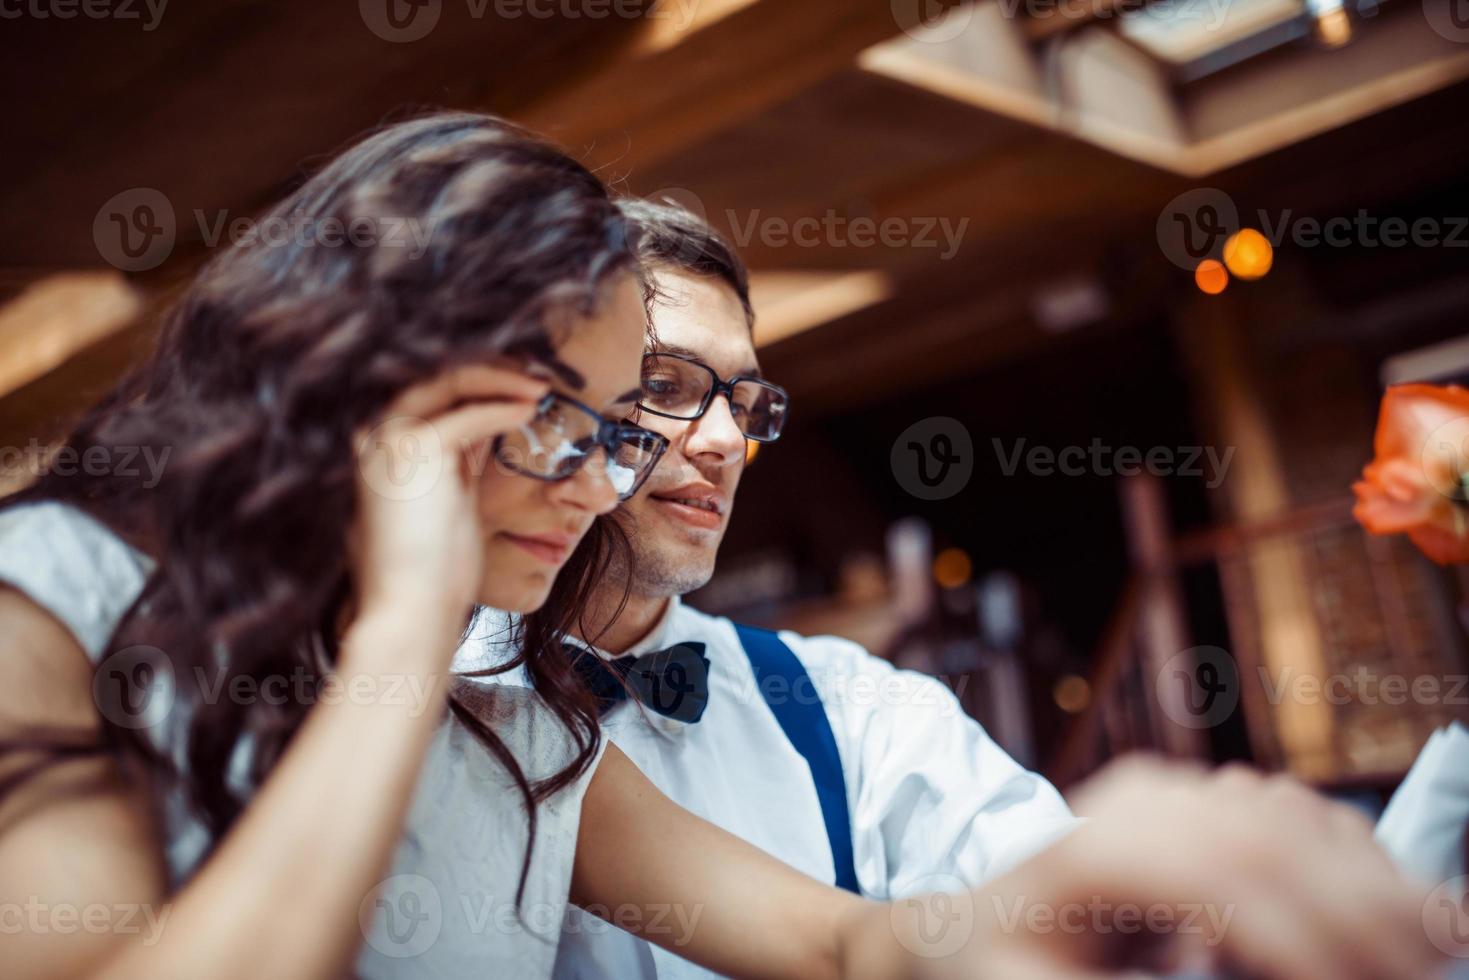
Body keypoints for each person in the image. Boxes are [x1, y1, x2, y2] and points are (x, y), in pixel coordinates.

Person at [0, 112, 1447, 980]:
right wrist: (401, 628)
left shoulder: (512, 724)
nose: (606, 477)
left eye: (619, 426)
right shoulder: (48, 610)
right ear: (366, 374)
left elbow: (836, 947)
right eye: (577, 420)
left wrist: (1062, 897)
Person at [462, 199, 1078, 978]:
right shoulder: (435, 700)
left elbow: (1037, 898)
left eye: (742, 404)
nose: (725, 442)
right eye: (662, 384)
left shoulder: (854, 709)